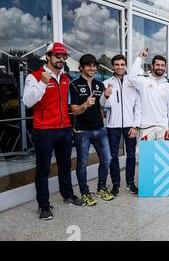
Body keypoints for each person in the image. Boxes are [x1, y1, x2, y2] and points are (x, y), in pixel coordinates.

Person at [23, 42, 84, 220]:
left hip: (64, 129)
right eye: (57, 56)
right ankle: (43, 206)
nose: (60, 59)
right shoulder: (34, 77)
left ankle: (68, 195)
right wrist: (43, 83)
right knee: (43, 169)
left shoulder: (65, 78)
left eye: (63, 56)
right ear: (48, 57)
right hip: (44, 131)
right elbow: (27, 101)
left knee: (65, 166)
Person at [70, 54, 114, 206]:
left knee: (107, 159)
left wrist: (106, 97)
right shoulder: (74, 84)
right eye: (88, 65)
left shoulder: (99, 85)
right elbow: (74, 110)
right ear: (81, 67)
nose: (92, 68)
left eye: (94, 65)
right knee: (82, 164)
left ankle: (101, 188)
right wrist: (85, 105)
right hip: (82, 131)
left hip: (100, 129)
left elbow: (101, 105)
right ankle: (85, 193)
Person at [100, 54, 141, 196]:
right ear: (113, 66)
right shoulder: (106, 83)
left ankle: (130, 183)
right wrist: (105, 95)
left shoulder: (132, 82)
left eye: (122, 64)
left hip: (130, 125)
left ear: (126, 66)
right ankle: (116, 184)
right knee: (113, 156)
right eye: (116, 64)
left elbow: (138, 106)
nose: (119, 67)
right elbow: (101, 105)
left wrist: (136, 126)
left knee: (131, 155)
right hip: (113, 125)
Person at [129, 48, 169, 142]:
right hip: (146, 128)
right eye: (157, 65)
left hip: (163, 129)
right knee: (145, 156)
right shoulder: (143, 82)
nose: (160, 67)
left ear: (165, 68)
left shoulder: (168, 86)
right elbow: (131, 77)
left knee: (162, 156)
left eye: (162, 65)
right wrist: (139, 58)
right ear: (152, 66)